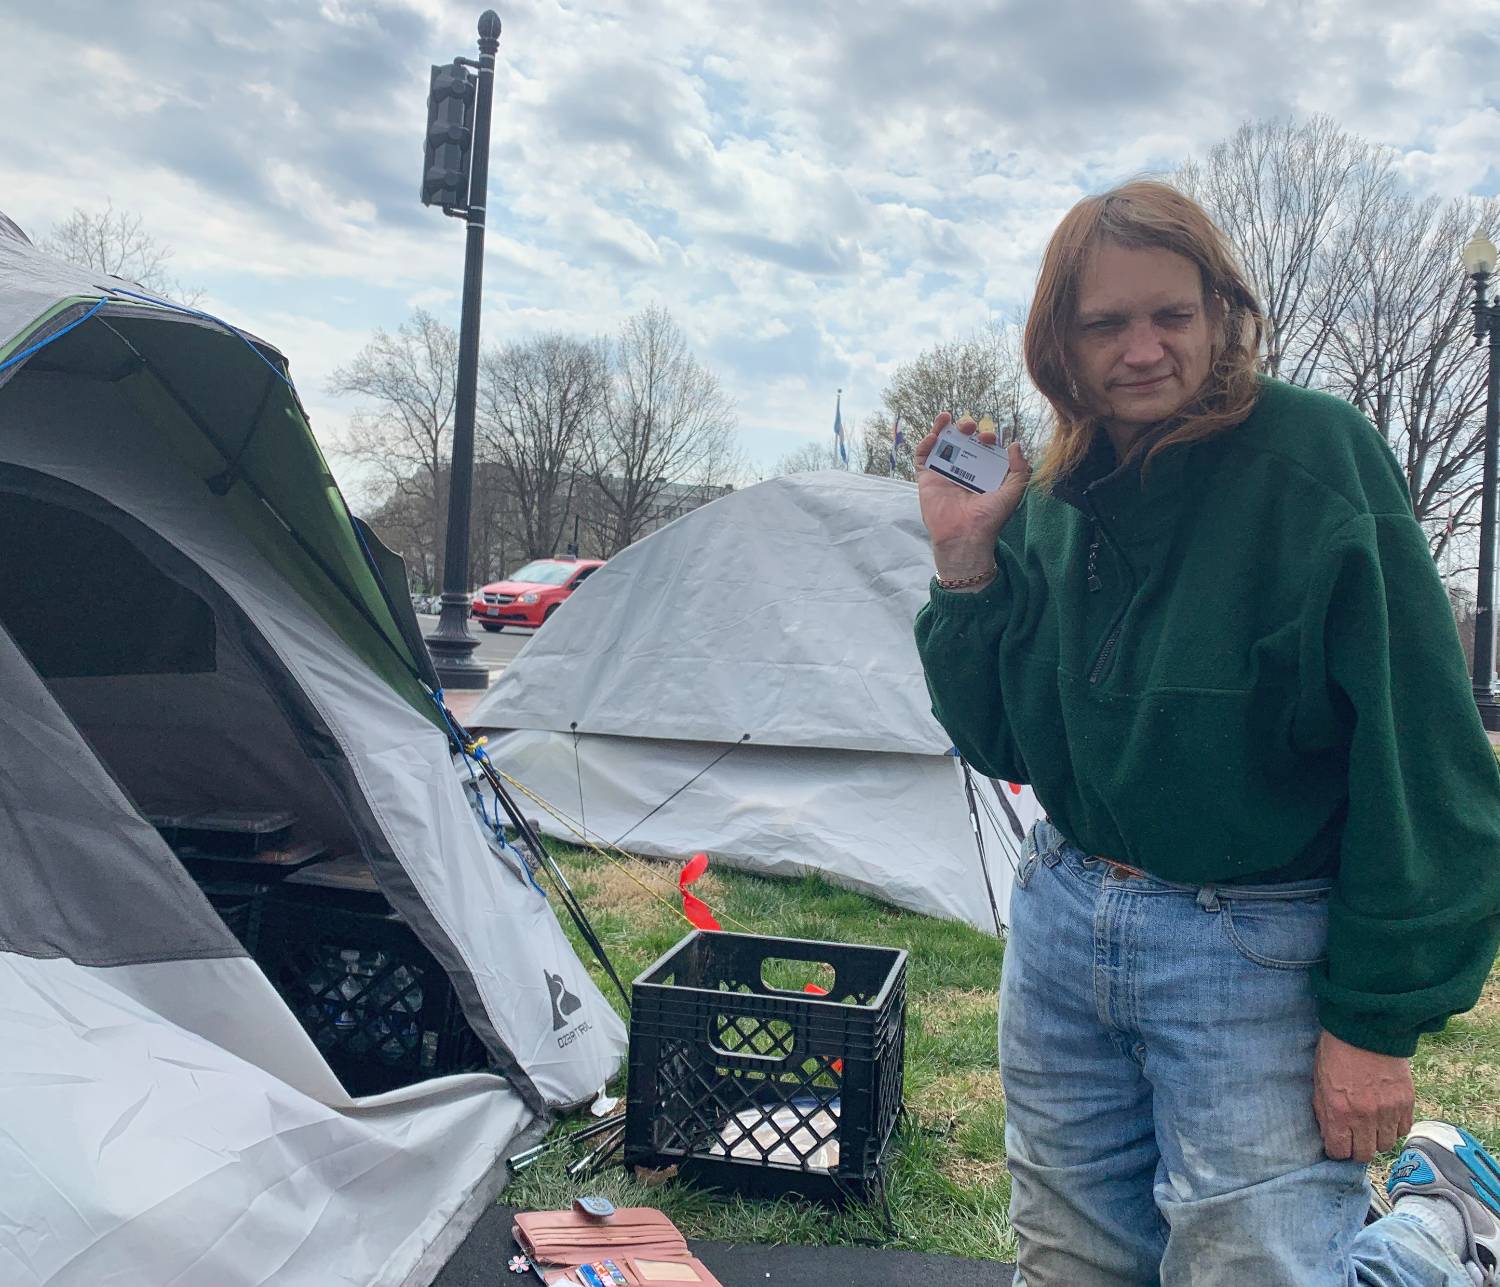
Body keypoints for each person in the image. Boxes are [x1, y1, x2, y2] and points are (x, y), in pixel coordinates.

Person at [913, 180, 1500, 1286]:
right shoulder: (1052, 494)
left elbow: (1422, 762)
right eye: (1106, 323)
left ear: (1220, 315)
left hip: (1255, 947)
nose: (1142, 349)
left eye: (1171, 315)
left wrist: (1376, 1022)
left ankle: (1439, 1228)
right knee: (1071, 1258)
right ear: (1061, 342)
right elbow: (1003, 745)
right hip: (1065, 919)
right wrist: (965, 561)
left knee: (1257, 1268)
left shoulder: (1317, 458)